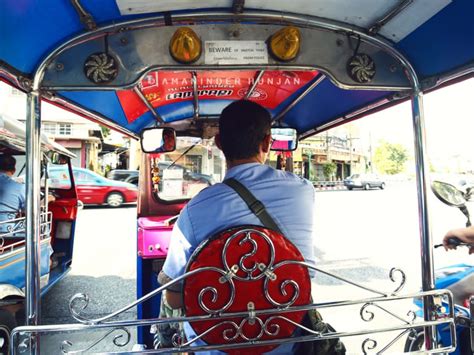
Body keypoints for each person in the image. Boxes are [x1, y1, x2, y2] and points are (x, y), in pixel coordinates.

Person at [158, 100, 315, 354]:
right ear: (267, 143)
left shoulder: (196, 209)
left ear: (219, 144)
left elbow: (174, 297)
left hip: (217, 348)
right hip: (286, 341)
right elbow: (306, 276)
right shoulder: (303, 191)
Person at [0, 155, 26, 232]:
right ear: (14, 170)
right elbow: (29, 210)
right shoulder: (20, 187)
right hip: (5, 233)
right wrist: (47, 199)